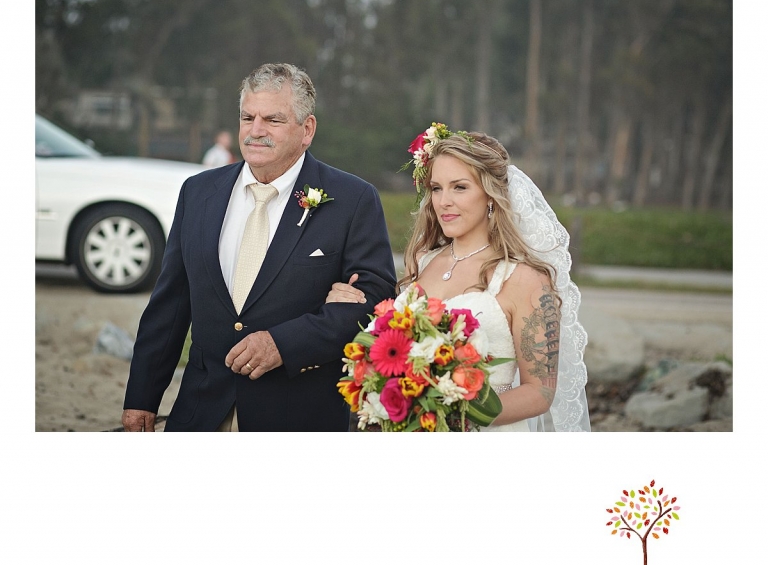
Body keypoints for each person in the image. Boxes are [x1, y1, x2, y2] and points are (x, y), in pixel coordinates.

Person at [122, 63, 396, 431]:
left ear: (307, 129)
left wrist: (283, 344)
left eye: (273, 120)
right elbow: (170, 305)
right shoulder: (198, 193)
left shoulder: (353, 199)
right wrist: (141, 397)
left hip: (297, 416)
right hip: (200, 412)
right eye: (247, 117)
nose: (255, 131)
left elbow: (374, 301)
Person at [327, 124, 590, 432]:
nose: (444, 201)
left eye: (460, 187)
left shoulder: (524, 279)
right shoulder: (424, 262)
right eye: (436, 188)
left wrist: (451, 415)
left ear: (491, 195)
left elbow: (540, 393)